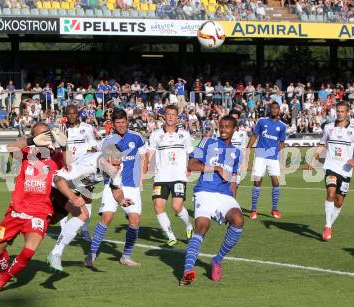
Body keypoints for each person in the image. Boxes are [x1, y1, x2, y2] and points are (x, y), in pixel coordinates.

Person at [0, 123, 66, 296]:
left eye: (47, 134)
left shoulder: (56, 157)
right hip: (16, 211)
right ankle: (4, 272)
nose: (45, 138)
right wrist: (31, 140)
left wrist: (64, 146)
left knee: (29, 249)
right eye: (41, 135)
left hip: (40, 213)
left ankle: (1, 282)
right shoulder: (26, 154)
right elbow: (10, 147)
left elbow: (68, 165)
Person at [48, 143, 134, 271]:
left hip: (69, 191)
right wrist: (74, 198)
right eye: (114, 165)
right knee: (46, 221)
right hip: (53, 188)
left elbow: (116, 188)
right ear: (105, 159)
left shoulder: (117, 166)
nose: (116, 168)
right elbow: (58, 179)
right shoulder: (88, 164)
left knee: (56, 220)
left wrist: (121, 200)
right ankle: (55, 253)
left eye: (118, 164)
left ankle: (55, 254)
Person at [180, 116, 243, 286]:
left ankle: (217, 260)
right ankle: (187, 272)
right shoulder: (207, 142)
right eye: (221, 126)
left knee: (238, 220)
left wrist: (233, 202)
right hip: (204, 192)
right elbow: (192, 165)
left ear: (234, 129)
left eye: (227, 127)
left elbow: (234, 180)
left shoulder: (237, 153)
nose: (223, 129)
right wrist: (215, 168)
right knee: (202, 227)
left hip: (225, 196)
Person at [85, 109, 147, 268]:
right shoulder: (107, 141)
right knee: (106, 218)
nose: (121, 125)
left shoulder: (137, 137)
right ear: (113, 124)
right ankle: (91, 255)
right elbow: (104, 163)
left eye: (123, 122)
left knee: (135, 220)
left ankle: (125, 257)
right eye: (117, 122)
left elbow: (143, 156)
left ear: (127, 121)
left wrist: (143, 177)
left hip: (131, 185)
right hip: (111, 185)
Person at [47, 105, 99, 270]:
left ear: (78, 114)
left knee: (85, 210)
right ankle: (60, 238)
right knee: (55, 215)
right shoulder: (60, 130)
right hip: (67, 172)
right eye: (69, 114)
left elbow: (94, 147)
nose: (72, 116)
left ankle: (75, 234)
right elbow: (56, 150)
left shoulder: (87, 128)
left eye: (74, 113)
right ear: (65, 115)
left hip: (84, 173)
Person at [309, 101, 354, 241]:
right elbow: (322, 143)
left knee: (339, 202)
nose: (340, 114)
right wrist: (313, 160)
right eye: (338, 111)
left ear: (347, 113)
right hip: (331, 167)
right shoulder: (328, 128)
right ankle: (327, 226)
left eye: (342, 111)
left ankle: (330, 223)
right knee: (331, 192)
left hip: (346, 170)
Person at [146, 105, 194, 246]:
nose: (171, 117)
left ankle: (188, 226)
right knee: (158, 206)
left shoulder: (184, 134)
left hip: (179, 176)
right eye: (168, 114)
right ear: (164, 117)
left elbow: (190, 152)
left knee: (176, 206)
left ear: (177, 117)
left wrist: (189, 167)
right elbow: (150, 152)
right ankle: (171, 236)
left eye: (174, 114)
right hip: (161, 177)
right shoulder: (155, 134)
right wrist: (145, 167)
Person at [247, 101, 287, 220]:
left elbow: (282, 142)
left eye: (276, 108)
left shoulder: (282, 126)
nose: (274, 110)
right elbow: (254, 136)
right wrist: (248, 148)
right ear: (270, 109)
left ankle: (274, 209)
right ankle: (254, 210)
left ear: (279, 110)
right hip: (260, 155)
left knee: (275, 182)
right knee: (257, 181)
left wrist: (280, 149)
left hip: (273, 157)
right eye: (272, 108)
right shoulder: (262, 121)